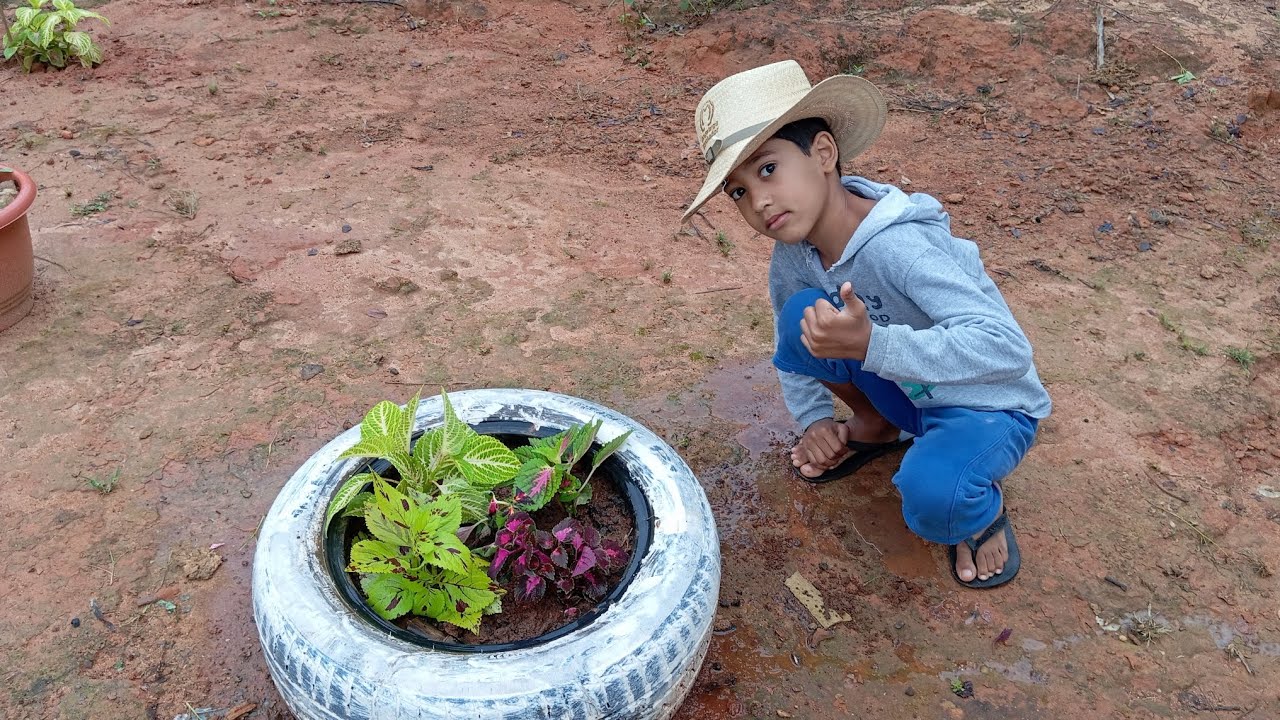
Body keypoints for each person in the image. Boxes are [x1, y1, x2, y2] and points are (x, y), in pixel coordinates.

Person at [683, 60, 1051, 588]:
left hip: (984, 403)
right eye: (738, 191)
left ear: (825, 154)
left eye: (767, 169)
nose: (759, 201)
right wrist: (813, 421)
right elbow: (791, 343)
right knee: (799, 317)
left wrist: (873, 343)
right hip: (905, 390)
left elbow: (1005, 349)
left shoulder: (900, 248)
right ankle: (879, 425)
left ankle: (982, 514)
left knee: (932, 505)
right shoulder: (794, 253)